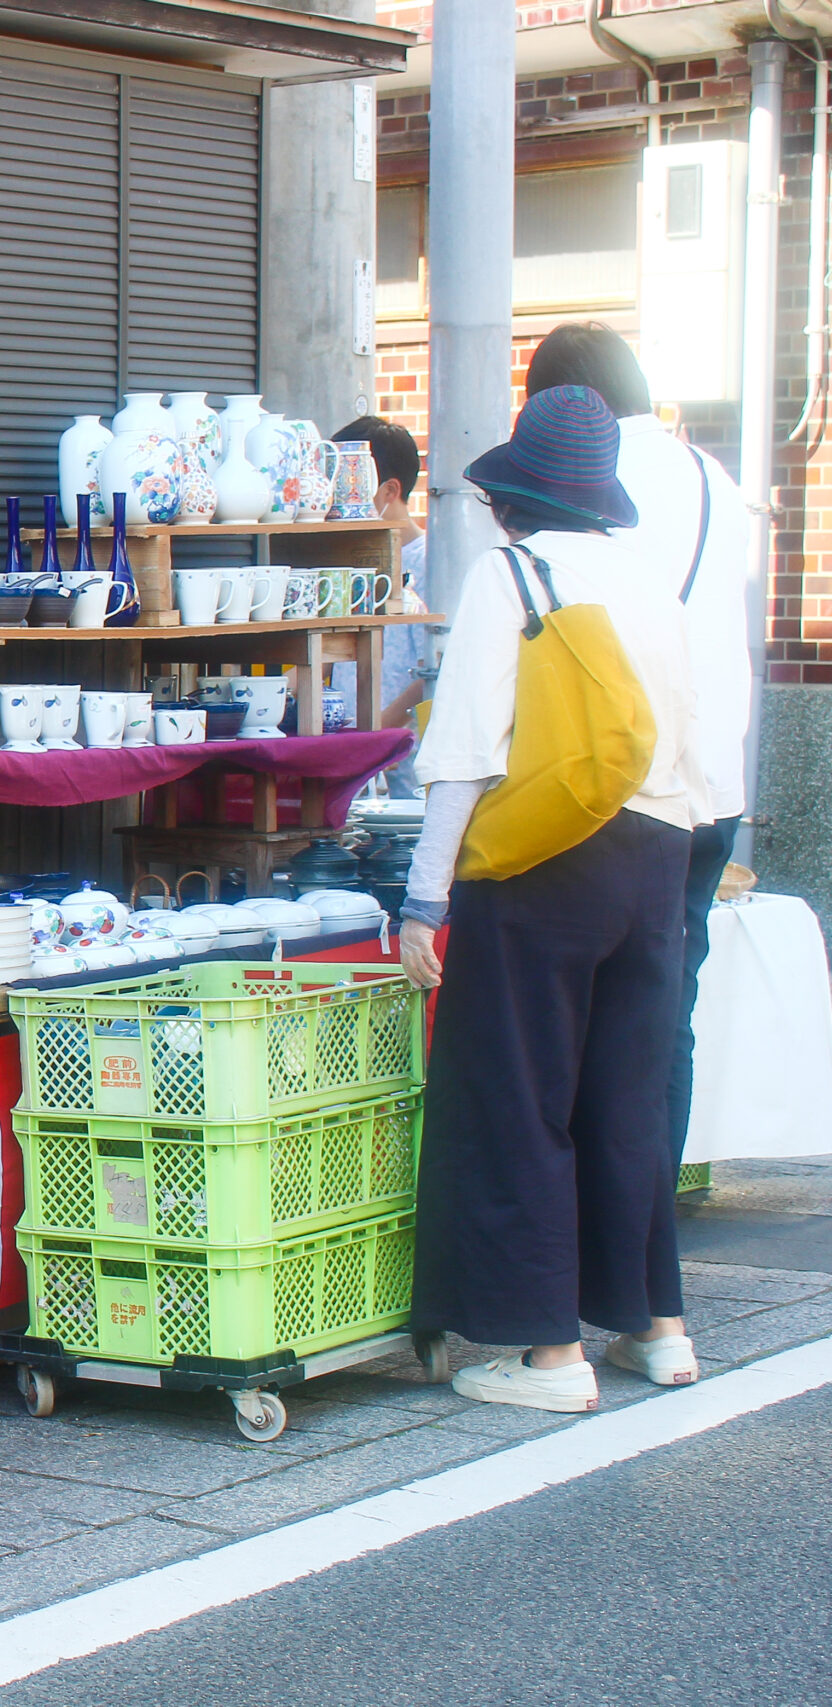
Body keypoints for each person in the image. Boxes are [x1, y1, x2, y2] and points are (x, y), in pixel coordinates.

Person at [399, 385, 708, 1413]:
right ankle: (657, 1328)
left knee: (519, 1097)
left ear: (512, 497)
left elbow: (464, 748)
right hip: (658, 854)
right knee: (627, 1100)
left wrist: (424, 897)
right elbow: (689, 739)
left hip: (544, 864)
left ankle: (549, 1355)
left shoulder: (511, 574)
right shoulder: (648, 578)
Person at [522, 322, 751, 1230]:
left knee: (583, 1017)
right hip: (714, 781)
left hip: (624, 788)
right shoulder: (714, 477)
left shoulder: (599, 484)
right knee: (665, 1012)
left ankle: (595, 1235)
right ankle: (647, 1234)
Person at [328, 415, 433, 729]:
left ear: (390, 490)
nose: (335, 501)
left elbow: (433, 668)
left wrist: (378, 734)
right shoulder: (346, 559)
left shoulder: (429, 563)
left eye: (348, 487)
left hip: (399, 749)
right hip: (353, 742)